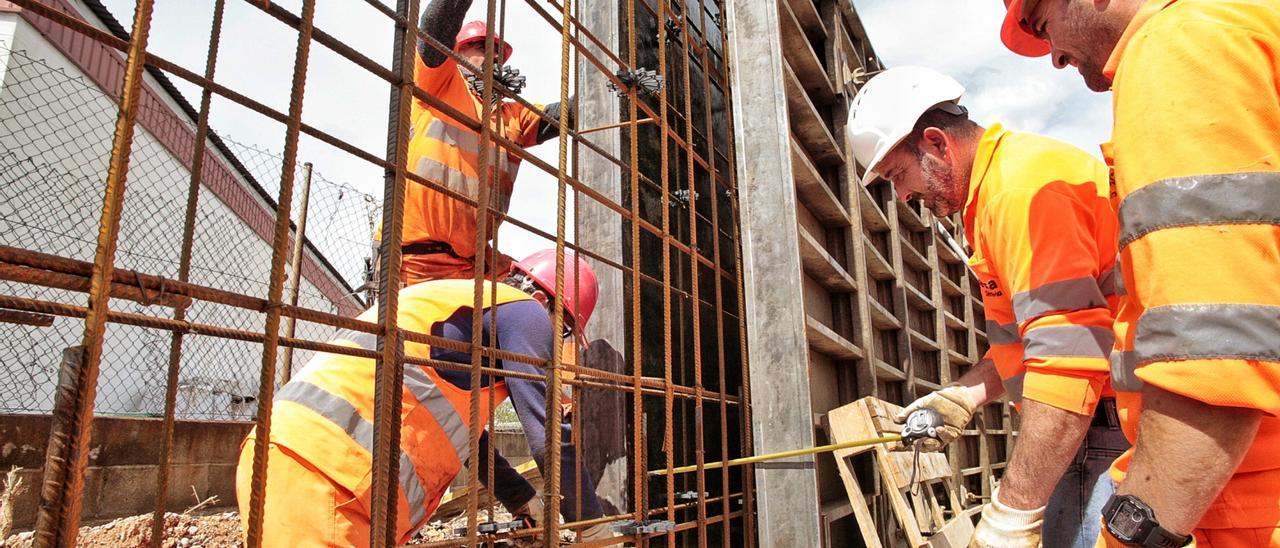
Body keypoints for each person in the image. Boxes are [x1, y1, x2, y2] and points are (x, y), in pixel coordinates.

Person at [998, 0, 1280, 545]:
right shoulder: (1233, 21)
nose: (1053, 55)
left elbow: (1212, 356)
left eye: (1041, 22)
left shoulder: (1178, 47)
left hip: (1248, 507)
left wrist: (1129, 536)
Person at [849, 66, 1127, 548]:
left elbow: (1068, 362)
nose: (903, 195)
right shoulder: (999, 191)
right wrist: (963, 395)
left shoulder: (1021, 192)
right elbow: (1031, 338)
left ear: (936, 143)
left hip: (1101, 431)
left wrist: (1011, 515)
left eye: (899, 174)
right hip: (1091, 430)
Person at [235, 250, 611, 545]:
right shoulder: (524, 310)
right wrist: (592, 527)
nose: (553, 345)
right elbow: (547, 434)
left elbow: (468, 443)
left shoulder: (466, 313)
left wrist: (521, 499)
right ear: (548, 304)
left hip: (294, 460)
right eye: (562, 333)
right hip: (330, 477)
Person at [384, 0, 574, 285]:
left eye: (498, 53)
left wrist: (618, 89)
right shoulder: (438, 83)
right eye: (481, 48)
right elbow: (436, 27)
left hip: (472, 263)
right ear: (456, 52)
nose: (493, 57)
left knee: (547, 294)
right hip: (416, 262)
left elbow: (571, 113)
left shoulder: (512, 116)